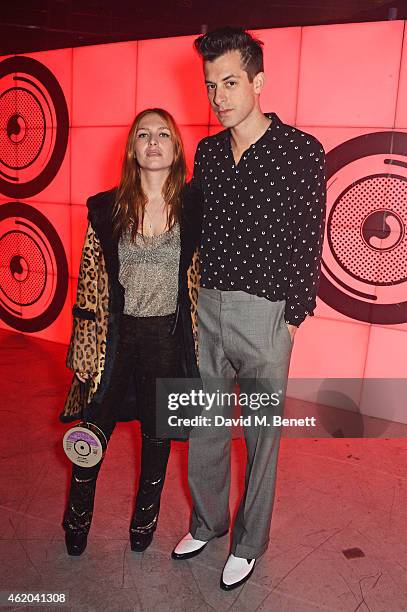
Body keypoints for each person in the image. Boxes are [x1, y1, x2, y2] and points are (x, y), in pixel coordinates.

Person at [171, 27, 326, 590]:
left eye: (231, 83)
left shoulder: (301, 151)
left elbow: (309, 237)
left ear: (258, 82)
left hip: (266, 314)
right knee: (206, 427)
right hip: (209, 308)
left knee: (262, 437)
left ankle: (250, 542)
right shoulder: (210, 154)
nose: (219, 97)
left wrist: (291, 318)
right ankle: (208, 522)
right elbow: (190, 226)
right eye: (211, 85)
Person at [60, 108, 201, 556]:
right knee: (93, 429)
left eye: (163, 134)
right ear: (132, 149)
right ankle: (76, 522)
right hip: (116, 340)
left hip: (167, 338)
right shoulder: (106, 209)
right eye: (144, 134)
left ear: (176, 148)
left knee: (157, 438)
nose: (153, 142)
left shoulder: (194, 209)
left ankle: (144, 526)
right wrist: (84, 357)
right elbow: (89, 287)